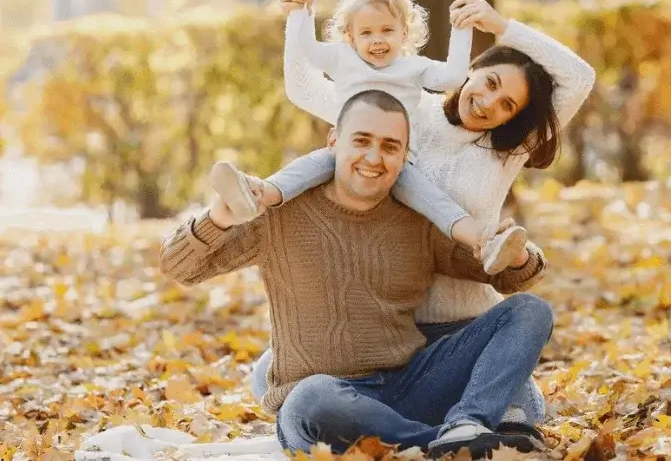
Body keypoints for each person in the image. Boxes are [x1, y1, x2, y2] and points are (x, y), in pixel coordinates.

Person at [250, 0, 597, 434]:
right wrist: (299, 14)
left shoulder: (505, 149)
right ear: (473, 69)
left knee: (517, 399)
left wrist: (500, 25)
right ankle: (420, 424)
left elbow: (577, 78)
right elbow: (307, 88)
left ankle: (478, 415)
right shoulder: (400, 110)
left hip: (461, 328)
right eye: (491, 82)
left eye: (508, 104)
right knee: (268, 374)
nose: (491, 103)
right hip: (385, 332)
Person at [160, 90, 553, 458]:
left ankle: (467, 425)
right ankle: (437, 443)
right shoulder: (279, 215)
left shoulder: (417, 223)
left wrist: (515, 252)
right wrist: (219, 218)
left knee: (530, 311)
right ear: (334, 142)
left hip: (411, 384)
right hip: (326, 400)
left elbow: (506, 275)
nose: (374, 157)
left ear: (404, 157)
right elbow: (179, 267)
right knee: (311, 397)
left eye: (389, 146)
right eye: (361, 141)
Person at [209, 0, 527, 276]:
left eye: (387, 30)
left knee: (436, 203)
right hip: (345, 152)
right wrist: (301, 7)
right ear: (350, 37)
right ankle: (255, 193)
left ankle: (486, 242)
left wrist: (461, 30)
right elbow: (307, 48)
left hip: (398, 162)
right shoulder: (342, 58)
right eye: (367, 32)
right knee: (305, 168)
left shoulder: (413, 68)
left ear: (405, 33)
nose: (377, 40)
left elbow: (455, 76)